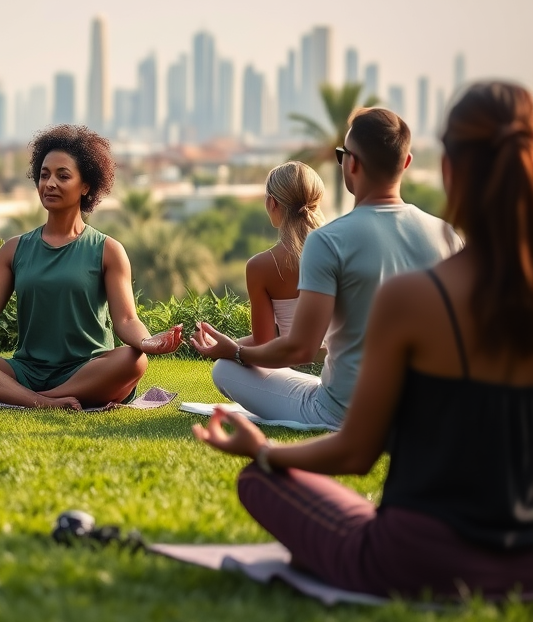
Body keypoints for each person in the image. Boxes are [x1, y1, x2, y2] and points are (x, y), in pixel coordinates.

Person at [193, 81, 533, 599]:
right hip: (522, 563)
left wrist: (260, 449)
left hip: (414, 559)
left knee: (256, 479)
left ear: (446, 170)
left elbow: (354, 450)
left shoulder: (404, 292)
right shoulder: (451, 243)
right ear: (410, 163)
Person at [192, 107, 463, 427]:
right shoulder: (447, 236)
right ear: (406, 162)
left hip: (343, 411)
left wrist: (235, 352)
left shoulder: (330, 241)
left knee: (224, 370)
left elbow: (301, 349)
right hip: (422, 408)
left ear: (351, 163)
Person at [0, 124, 183, 409]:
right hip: (26, 371)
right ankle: (40, 401)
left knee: (134, 360)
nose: (50, 183)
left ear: (86, 186)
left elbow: (127, 321)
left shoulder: (108, 251)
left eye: (63, 176)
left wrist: (147, 342)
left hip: (89, 369)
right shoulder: (14, 250)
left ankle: (26, 397)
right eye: (44, 175)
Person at [241, 161, 325, 346]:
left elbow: (264, 344)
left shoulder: (261, 265)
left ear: (272, 203)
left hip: (292, 369)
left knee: (223, 367)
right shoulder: (343, 248)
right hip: (347, 368)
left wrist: (228, 347)